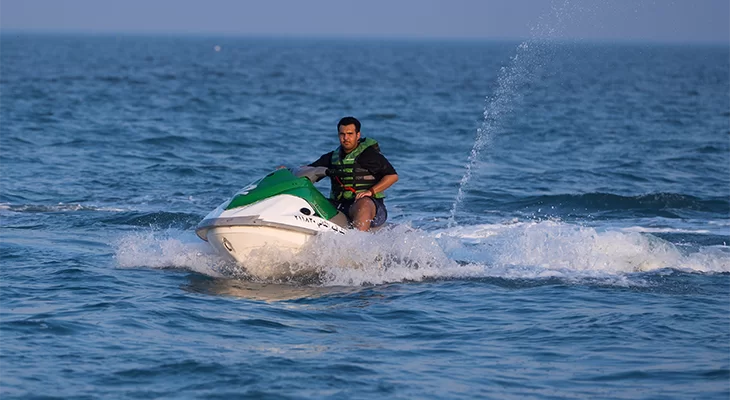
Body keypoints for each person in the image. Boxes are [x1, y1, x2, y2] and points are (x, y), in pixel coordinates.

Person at [308, 116, 398, 231]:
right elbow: (309, 169)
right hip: (340, 205)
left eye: (350, 134)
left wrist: (370, 191)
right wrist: (288, 170)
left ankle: (358, 243)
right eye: (342, 134)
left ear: (358, 135)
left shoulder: (370, 155)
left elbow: (392, 176)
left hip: (371, 207)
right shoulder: (332, 157)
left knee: (364, 203)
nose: (346, 138)